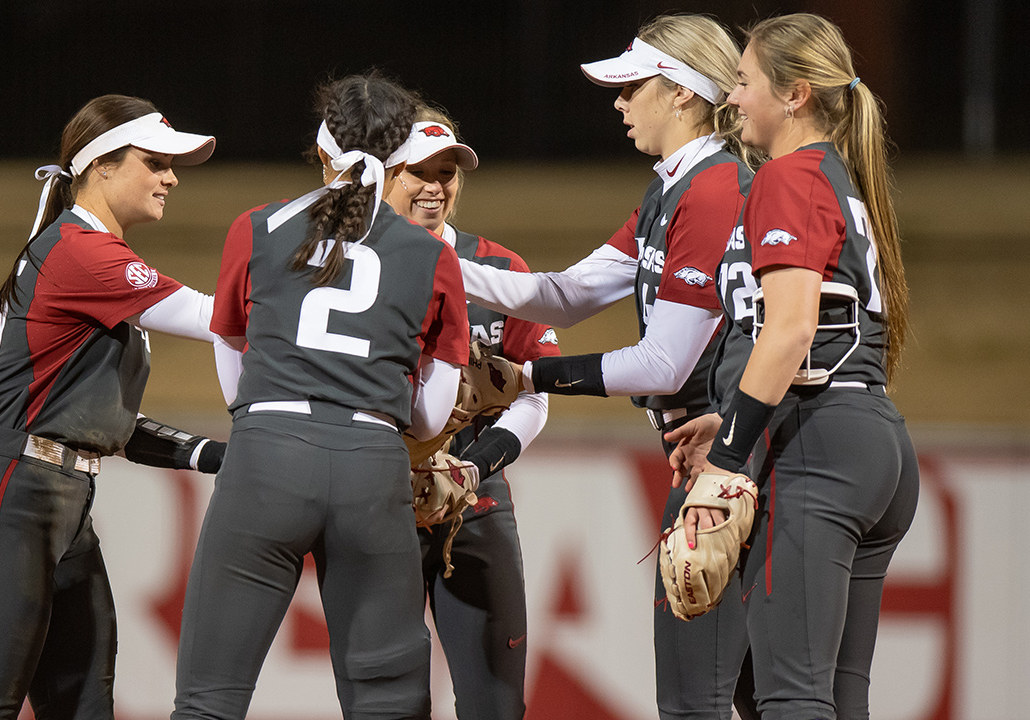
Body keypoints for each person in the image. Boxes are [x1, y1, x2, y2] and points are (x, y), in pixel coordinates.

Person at [457, 14, 760, 720]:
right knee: (754, 696)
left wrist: (527, 379)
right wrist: (433, 253)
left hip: (729, 467)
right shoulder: (674, 187)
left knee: (698, 700)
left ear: (682, 93)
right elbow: (565, 295)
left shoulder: (714, 188)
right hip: (713, 461)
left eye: (632, 88)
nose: (620, 104)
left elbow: (661, 362)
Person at [171, 73, 471, 720]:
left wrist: (258, 420)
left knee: (208, 700)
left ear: (322, 146)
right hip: (371, 461)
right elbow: (432, 413)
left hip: (267, 454)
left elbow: (230, 346)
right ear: (398, 155)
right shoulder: (430, 255)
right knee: (387, 704)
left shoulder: (257, 226)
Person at [0, 94, 224, 720]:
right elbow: (218, 317)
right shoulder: (80, 252)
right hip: (4, 494)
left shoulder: (84, 257)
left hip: (53, 499)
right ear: (101, 167)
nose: (171, 176)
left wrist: (208, 453)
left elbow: (95, 419)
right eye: (155, 160)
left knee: (83, 707)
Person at [666, 13, 920, 720]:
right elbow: (822, 336)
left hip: (821, 447)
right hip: (869, 438)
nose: (734, 98)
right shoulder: (836, 175)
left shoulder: (786, 174)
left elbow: (791, 329)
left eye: (745, 82)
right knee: (825, 694)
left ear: (796, 94)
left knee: (790, 699)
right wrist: (740, 412)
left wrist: (726, 456)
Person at [384, 106, 559, 719]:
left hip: (476, 509)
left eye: (449, 169)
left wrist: (473, 469)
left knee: (496, 706)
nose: (436, 185)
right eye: (418, 170)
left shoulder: (500, 267)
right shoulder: (348, 265)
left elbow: (534, 393)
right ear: (382, 169)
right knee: (388, 705)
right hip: (378, 512)